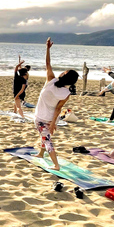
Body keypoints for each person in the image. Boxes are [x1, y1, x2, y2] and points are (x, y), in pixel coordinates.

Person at [34, 38, 78, 170]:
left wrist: (47, 48)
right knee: (44, 135)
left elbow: (47, 63)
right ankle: (41, 154)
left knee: (47, 140)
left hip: (41, 118)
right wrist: (53, 122)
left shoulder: (51, 80)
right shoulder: (66, 93)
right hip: (51, 118)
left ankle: (56, 165)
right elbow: (58, 109)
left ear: (63, 75)